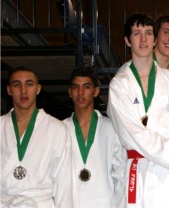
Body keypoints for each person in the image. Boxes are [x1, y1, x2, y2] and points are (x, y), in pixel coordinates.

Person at [107, 13, 169, 208]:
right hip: (139, 172)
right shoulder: (119, 84)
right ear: (127, 40)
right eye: (136, 33)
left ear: (154, 39)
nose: (143, 39)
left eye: (148, 33)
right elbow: (130, 131)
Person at [1, 66, 75, 207]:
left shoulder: (57, 128)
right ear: (9, 90)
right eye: (17, 85)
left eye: (29, 84)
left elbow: (64, 183)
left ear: (38, 89)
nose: (23, 90)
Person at [63, 67, 127, 208]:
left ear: (96, 91)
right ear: (70, 92)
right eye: (76, 87)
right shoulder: (60, 129)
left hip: (104, 203)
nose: (80, 92)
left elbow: (121, 174)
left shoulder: (112, 128)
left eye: (86, 87)